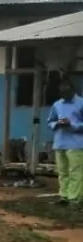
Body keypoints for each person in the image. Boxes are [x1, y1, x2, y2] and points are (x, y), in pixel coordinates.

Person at [47, 78, 83, 207]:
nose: (64, 94)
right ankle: (64, 196)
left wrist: (71, 124)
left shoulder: (81, 103)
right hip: (60, 142)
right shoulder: (57, 104)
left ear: (73, 90)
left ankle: (75, 198)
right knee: (62, 171)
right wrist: (57, 123)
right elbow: (50, 121)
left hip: (76, 144)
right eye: (61, 92)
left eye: (66, 91)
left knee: (76, 171)